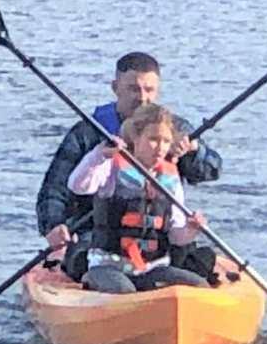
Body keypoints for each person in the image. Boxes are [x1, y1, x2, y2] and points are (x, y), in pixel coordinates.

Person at [36, 50, 221, 249]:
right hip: (96, 233)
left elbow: (211, 170)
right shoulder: (88, 132)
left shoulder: (174, 130)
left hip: (159, 232)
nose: (142, 98)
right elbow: (55, 188)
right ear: (116, 88)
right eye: (134, 89)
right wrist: (53, 225)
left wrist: (193, 151)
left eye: (149, 90)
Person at [60, 105, 232, 291]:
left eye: (166, 141)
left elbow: (176, 237)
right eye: (153, 139)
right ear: (136, 138)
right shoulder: (111, 166)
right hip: (108, 266)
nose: (160, 147)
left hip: (151, 268)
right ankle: (91, 281)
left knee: (198, 285)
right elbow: (77, 185)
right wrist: (99, 155)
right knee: (124, 291)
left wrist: (192, 228)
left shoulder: (170, 179)